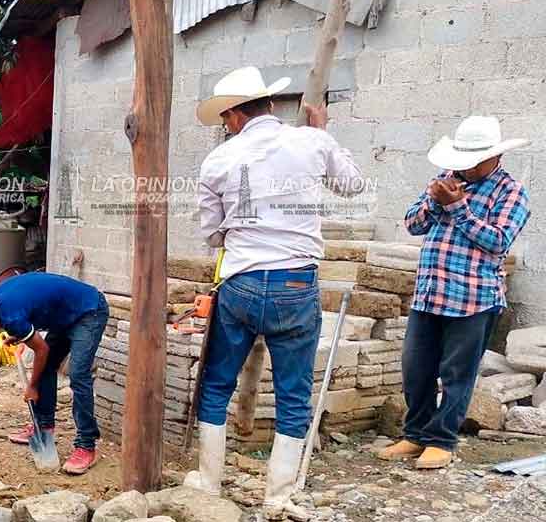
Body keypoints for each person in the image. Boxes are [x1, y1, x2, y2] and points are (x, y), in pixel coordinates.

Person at [187, 66, 364, 519]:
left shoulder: (219, 160)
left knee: (216, 385)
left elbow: (210, 234)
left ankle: (208, 481)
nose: (225, 126)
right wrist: (324, 132)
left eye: (225, 118)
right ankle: (279, 496)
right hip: (294, 284)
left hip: (241, 284)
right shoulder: (311, 141)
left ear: (234, 116)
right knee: (293, 393)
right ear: (268, 104)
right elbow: (353, 185)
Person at [379, 116, 531, 470]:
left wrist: (456, 208)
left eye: (475, 159)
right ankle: (415, 434)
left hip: (473, 298)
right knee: (416, 368)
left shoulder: (510, 192)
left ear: (494, 157)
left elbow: (498, 242)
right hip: (430, 293)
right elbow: (413, 224)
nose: (466, 166)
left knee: (456, 374)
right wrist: (435, 201)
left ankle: (442, 440)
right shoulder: (446, 179)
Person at [0, 272, 109, 474]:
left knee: (78, 375)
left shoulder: (10, 314)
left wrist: (32, 387)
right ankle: (43, 427)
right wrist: (19, 334)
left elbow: (40, 349)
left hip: (89, 311)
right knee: (46, 366)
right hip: (65, 317)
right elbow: (31, 305)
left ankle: (86, 446)